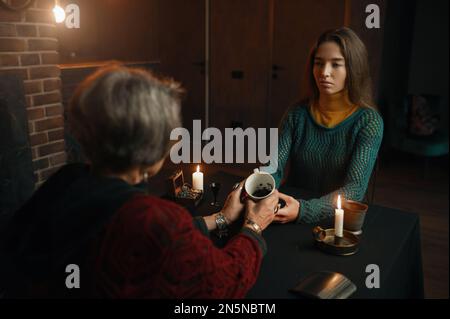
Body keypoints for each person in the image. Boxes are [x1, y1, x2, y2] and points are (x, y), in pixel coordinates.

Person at [2, 64, 279, 298]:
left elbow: (139, 236)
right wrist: (254, 226)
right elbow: (225, 282)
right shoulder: (154, 219)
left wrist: (220, 218)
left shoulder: (66, 180)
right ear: (154, 144)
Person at [272, 27, 384, 224]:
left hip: (336, 221)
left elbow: (354, 189)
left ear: (353, 69)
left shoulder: (368, 122)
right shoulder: (297, 114)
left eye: (336, 65)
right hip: (287, 208)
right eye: (319, 63)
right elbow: (274, 167)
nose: (324, 73)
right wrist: (259, 187)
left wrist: (303, 210)